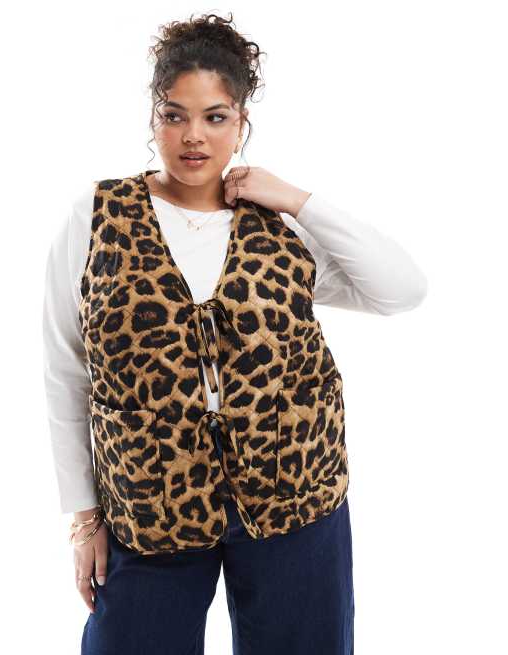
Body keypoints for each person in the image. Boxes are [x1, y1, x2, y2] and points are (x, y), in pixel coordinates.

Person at [42, 12, 428, 655]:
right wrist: (84, 519)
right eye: (174, 115)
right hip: (149, 500)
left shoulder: (278, 223)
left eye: (215, 117)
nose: (193, 136)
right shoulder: (98, 215)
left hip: (294, 494)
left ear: (241, 121)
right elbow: (63, 368)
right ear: (153, 118)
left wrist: (298, 198)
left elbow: (403, 289)